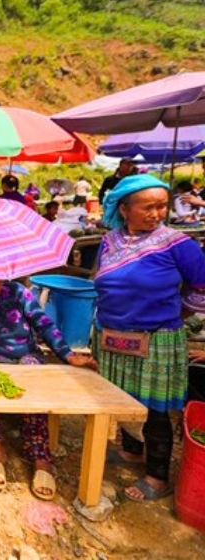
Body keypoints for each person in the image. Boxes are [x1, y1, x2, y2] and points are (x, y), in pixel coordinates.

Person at [95, 175, 205, 502]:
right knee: (123, 400)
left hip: (156, 338)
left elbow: (201, 287)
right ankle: (132, 451)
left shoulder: (178, 243)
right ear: (125, 209)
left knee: (156, 408)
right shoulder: (109, 241)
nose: (156, 213)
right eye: (148, 207)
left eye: (161, 206)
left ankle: (158, 477)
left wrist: (174, 315)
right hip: (112, 336)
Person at [0, 279, 96, 500]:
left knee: (32, 373)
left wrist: (68, 354)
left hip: (24, 357)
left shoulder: (18, 293)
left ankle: (41, 459)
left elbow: (44, 324)